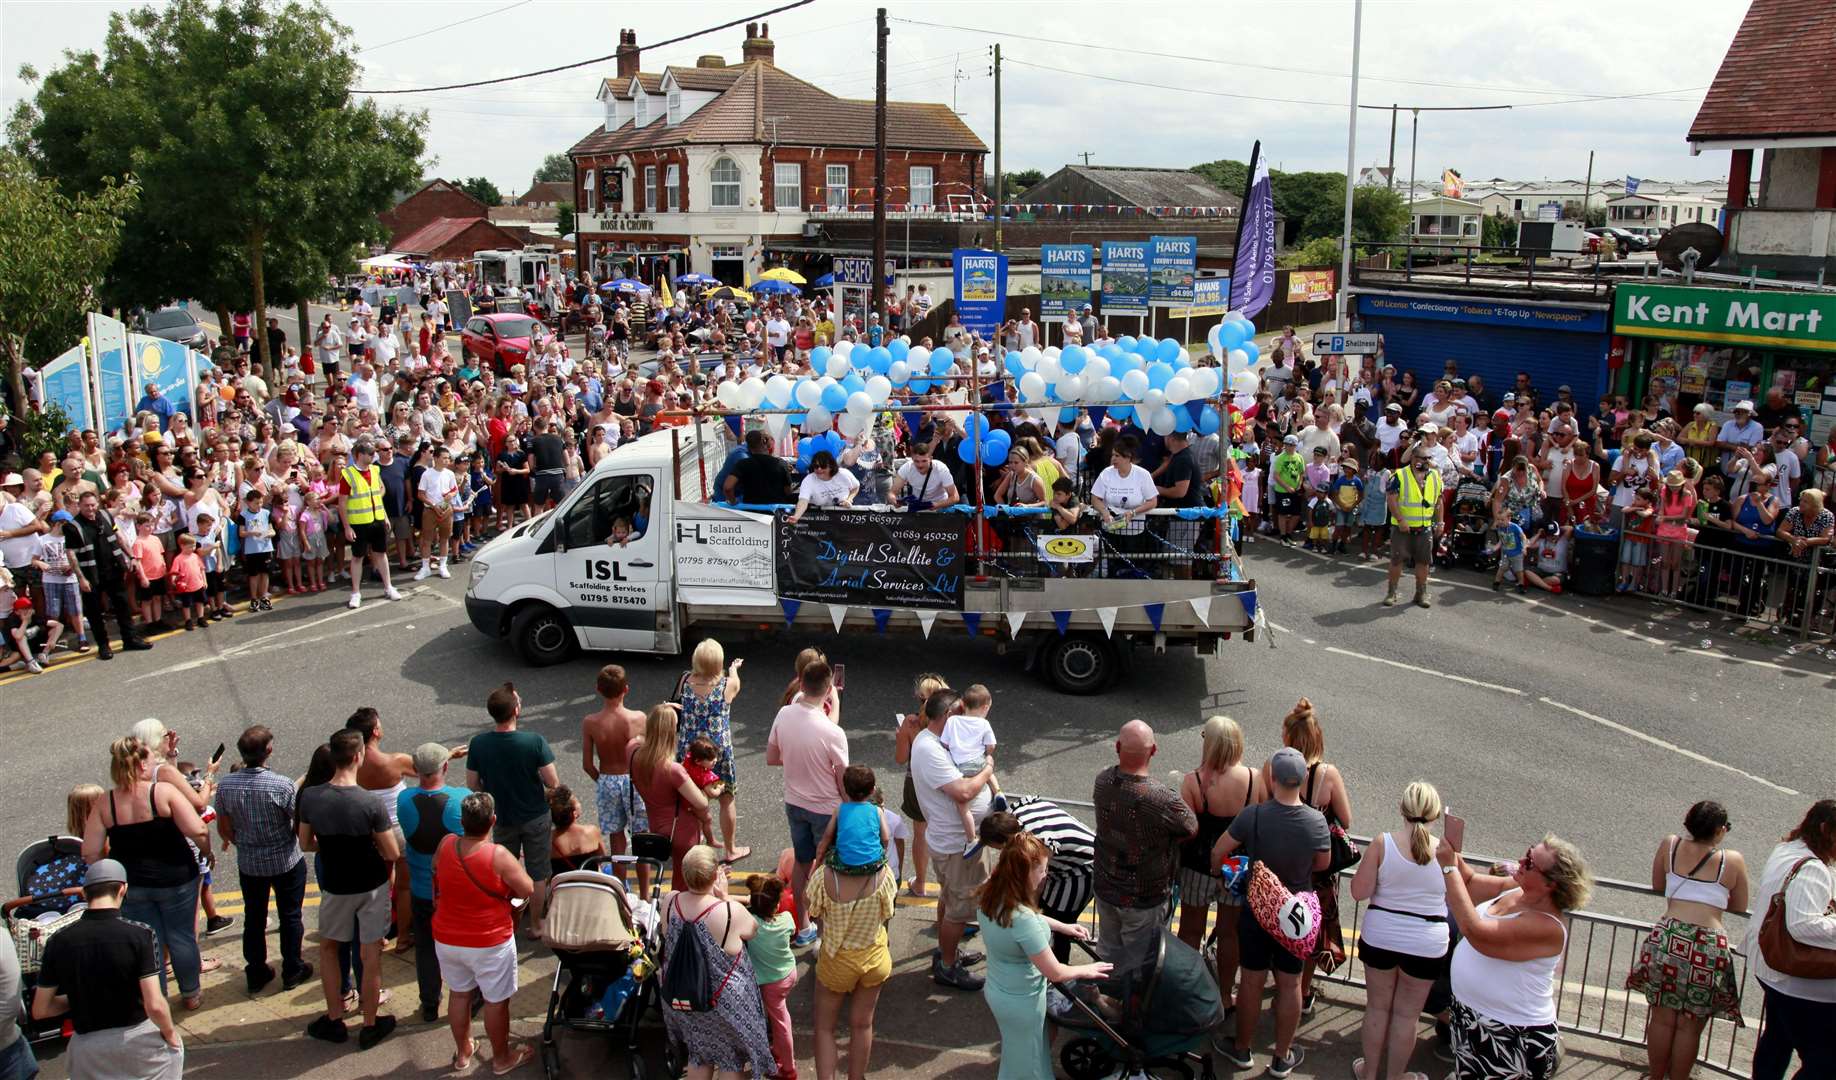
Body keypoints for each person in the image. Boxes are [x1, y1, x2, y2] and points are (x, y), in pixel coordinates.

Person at [1211, 747, 1329, 1078]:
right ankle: (1281, 1056)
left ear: (1272, 778)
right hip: (1295, 916)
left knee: (1251, 979)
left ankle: (1242, 1049)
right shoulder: (1316, 820)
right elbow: (1323, 864)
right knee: (1290, 985)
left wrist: (1226, 875)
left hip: (1257, 912)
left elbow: (1219, 852)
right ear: (1303, 781)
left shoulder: (1255, 815)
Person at [1438, 834, 1593, 1080]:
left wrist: (1447, 867)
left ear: (1550, 884)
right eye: (1528, 852)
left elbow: (1477, 933)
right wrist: (1454, 856)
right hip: (1472, 1018)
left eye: (1530, 862)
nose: (1520, 860)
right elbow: (1469, 883)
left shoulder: (1547, 927)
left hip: (1513, 1035)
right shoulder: (1516, 889)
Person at [83, 737, 210, 1010]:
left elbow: (90, 852)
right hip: (177, 878)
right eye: (152, 759)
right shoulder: (162, 792)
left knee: (148, 942)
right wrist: (206, 851)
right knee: (181, 936)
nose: (155, 763)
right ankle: (191, 994)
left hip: (133, 885)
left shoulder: (106, 803)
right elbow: (198, 829)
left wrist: (111, 871)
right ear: (141, 764)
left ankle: (157, 999)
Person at [1627, 801, 1749, 1080]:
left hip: (1668, 936)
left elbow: (1659, 885)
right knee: (1689, 1025)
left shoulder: (1670, 845)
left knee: (1660, 1017)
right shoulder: (1732, 860)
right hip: (1707, 944)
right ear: (1720, 830)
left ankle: (1656, 1076)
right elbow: (1740, 904)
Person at [297, 728, 401, 1050]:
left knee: (330, 949)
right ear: (357, 757)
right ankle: (370, 1024)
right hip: (371, 885)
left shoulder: (312, 796)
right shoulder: (369, 802)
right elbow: (391, 853)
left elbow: (305, 842)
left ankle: (334, 1019)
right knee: (370, 955)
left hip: (336, 884)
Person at [976, 833, 1112, 1079]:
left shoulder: (991, 895)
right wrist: (1087, 970)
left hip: (1000, 990)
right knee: (1028, 1066)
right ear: (1026, 873)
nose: (1045, 875)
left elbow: (1026, 921)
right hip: (1023, 1001)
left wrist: (1062, 926)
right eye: (1042, 870)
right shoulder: (1023, 920)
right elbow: (1055, 972)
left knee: (1019, 1057)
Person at [31, 860, 183, 1079]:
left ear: (84, 893)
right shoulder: (140, 934)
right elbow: (155, 1005)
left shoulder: (58, 941)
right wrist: (170, 1035)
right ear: (123, 889)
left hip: (88, 1049)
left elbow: (40, 1010)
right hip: (138, 1041)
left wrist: (78, 998)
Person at [1349, 782, 1451, 1080]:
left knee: (1377, 1009)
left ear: (1402, 809)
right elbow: (1454, 895)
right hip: (1426, 945)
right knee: (1407, 1017)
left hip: (1381, 937)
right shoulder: (1446, 853)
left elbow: (1358, 892)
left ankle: (1368, 1074)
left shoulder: (1383, 843)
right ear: (1435, 815)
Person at [432, 792, 536, 1075]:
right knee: (496, 1000)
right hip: (489, 941)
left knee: (459, 993)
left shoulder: (446, 844)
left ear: (462, 822)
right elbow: (527, 889)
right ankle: (501, 1058)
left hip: (447, 936)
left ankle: (464, 1050)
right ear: (492, 821)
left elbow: (435, 873)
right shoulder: (498, 855)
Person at [1093, 719, 1198, 978]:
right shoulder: (1161, 798)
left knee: (1107, 953)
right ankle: (1131, 1013)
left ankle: (1104, 1003)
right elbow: (1191, 826)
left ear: (1117, 746)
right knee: (1142, 965)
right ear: (1154, 751)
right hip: (1144, 898)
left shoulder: (1103, 781)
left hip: (1106, 887)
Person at [909, 688, 999, 991]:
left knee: (950, 901)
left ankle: (948, 952)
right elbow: (962, 791)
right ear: (948, 715)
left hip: (958, 843)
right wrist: (988, 768)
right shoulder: (929, 748)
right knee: (959, 909)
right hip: (956, 846)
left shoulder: (940, 740)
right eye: (961, 713)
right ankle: (948, 966)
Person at [214, 725, 312, 996]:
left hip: (249, 864)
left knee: (254, 917)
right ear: (268, 750)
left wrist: (243, 843)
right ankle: (292, 969)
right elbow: (298, 825)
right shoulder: (281, 785)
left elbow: (224, 829)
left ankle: (256, 973)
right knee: (290, 916)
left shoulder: (225, 786)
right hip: (286, 862)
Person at [663, 846, 776, 1080]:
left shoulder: (670, 901)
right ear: (715, 876)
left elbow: (666, 933)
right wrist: (723, 897)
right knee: (731, 1060)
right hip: (724, 1001)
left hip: (687, 995)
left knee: (699, 1055)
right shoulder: (728, 910)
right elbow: (752, 930)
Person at [1745, 799, 1836, 1080]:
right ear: (1825, 829)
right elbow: (1803, 925)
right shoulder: (1812, 869)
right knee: (1826, 1059)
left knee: (1777, 1039)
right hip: (1795, 982)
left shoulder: (1787, 849)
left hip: (1769, 967)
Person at [1177, 715, 1264, 997]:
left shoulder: (1193, 781)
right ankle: (1226, 994)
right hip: (1237, 866)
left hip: (1198, 867)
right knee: (1229, 933)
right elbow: (1258, 825)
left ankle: (1188, 994)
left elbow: (1188, 831)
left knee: (1191, 931)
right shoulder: (1254, 778)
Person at [766, 659, 850, 949]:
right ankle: (827, 936)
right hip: (826, 809)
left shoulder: (784, 714)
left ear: (800, 683)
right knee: (828, 869)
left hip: (794, 802)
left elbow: (772, 757)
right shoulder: (833, 732)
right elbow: (842, 780)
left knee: (802, 864)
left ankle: (803, 927)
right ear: (829, 690)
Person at [803, 837, 897, 1080]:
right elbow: (888, 911)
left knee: (825, 1028)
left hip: (837, 960)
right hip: (874, 957)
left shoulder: (825, 876)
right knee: (862, 1025)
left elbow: (809, 907)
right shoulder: (884, 873)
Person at [465, 682, 559, 918]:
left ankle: (511, 918)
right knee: (538, 873)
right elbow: (552, 781)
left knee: (507, 870)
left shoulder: (478, 744)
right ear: (516, 711)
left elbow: (472, 784)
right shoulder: (534, 741)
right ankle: (536, 923)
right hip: (535, 815)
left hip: (503, 817)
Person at [976, 794, 1098, 965]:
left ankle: (1057, 970)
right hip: (1068, 860)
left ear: (1006, 842)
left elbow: (1037, 881)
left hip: (1081, 870)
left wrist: (1026, 910)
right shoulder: (1013, 816)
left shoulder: (1035, 843)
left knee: (1060, 921)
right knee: (1045, 913)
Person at [396, 743, 469, 1024]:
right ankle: (469, 999)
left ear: (415, 771)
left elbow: (423, 783)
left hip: (421, 892)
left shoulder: (404, 800)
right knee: (463, 947)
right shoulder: (460, 799)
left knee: (426, 947)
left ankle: (429, 1003)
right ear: (446, 768)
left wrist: (444, 756)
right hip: (453, 892)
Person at [674, 639, 750, 863]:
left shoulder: (685, 681)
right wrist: (734, 669)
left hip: (690, 751)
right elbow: (735, 681)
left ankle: (694, 849)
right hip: (718, 751)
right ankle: (730, 849)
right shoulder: (726, 685)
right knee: (727, 799)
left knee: (692, 801)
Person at [629, 703, 713, 890]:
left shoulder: (633, 755)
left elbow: (637, 738)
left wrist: (662, 709)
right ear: (671, 732)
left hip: (656, 825)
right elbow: (701, 803)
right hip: (682, 829)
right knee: (685, 883)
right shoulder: (673, 769)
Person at [581, 664, 648, 884]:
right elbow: (647, 755)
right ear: (625, 689)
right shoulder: (638, 718)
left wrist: (602, 780)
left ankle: (621, 888)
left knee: (616, 837)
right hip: (634, 780)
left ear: (598, 689)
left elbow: (588, 764)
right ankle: (646, 894)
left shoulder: (591, 722)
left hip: (608, 779)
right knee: (640, 837)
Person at [64, 491, 149, 657]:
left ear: (98, 504)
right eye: (86, 505)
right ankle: (103, 646)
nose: (90, 508)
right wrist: (81, 578)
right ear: (79, 506)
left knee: (122, 606)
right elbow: (71, 554)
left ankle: (130, 639)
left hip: (113, 569)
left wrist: (131, 556)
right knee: (95, 612)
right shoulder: (72, 527)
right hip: (90, 575)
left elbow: (118, 536)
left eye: (93, 505)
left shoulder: (105, 516)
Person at [743, 874, 799, 1080]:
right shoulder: (786, 919)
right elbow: (793, 934)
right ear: (776, 905)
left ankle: (788, 1069)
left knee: (781, 1022)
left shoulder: (751, 924)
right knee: (779, 1015)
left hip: (770, 983)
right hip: (789, 973)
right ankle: (777, 1048)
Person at [338, 440, 403, 609]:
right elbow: (342, 503)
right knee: (358, 557)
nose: (373, 455)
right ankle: (356, 592)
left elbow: (380, 490)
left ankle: (388, 586)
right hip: (359, 523)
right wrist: (347, 527)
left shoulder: (375, 470)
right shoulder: (348, 474)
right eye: (370, 453)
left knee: (381, 554)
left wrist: (385, 516)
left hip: (377, 519)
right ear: (359, 455)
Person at [938, 684, 999, 855]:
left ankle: (971, 839)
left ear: (963, 704)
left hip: (961, 767)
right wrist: (986, 753)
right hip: (978, 763)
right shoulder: (984, 724)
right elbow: (991, 746)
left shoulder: (952, 721)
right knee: (988, 764)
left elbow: (944, 743)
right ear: (986, 707)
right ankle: (998, 791)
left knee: (962, 805)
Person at [1385, 446, 1444, 608]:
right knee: (1397, 560)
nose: (1425, 462)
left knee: (1423, 562)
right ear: (1413, 458)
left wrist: (1440, 522)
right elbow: (1391, 500)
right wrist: (1400, 519)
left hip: (1424, 527)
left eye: (1427, 459)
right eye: (1421, 459)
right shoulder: (1399, 475)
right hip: (1402, 528)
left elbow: (1439, 501)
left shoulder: (1434, 476)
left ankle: (1421, 593)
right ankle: (1392, 592)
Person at [787, 450, 858, 523]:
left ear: (831, 466)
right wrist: (796, 516)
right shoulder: (809, 480)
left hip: (841, 518)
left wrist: (849, 499)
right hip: (819, 519)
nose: (819, 469)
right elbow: (803, 501)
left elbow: (856, 487)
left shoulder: (844, 474)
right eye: (816, 466)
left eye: (823, 466)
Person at [548, 786, 604, 874]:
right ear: (573, 813)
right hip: (590, 883)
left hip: (563, 885)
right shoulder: (591, 832)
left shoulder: (547, 839)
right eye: (577, 801)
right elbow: (601, 858)